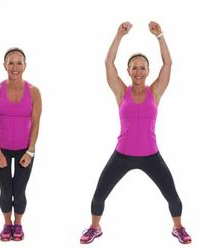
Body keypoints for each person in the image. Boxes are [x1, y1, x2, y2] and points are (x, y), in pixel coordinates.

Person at [80, 21, 191, 244]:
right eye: (134, 67)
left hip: (151, 155)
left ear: (148, 71)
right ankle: (94, 227)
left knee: (172, 195)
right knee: (99, 194)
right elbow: (108, 62)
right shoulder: (122, 91)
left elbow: (168, 63)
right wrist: (118, 36)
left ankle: (178, 228)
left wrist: (160, 36)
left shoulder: (155, 91)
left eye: (142, 68)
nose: (139, 71)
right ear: (128, 71)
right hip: (123, 154)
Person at [0, 47, 42, 241]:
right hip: (0, 148)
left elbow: (36, 124)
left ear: (25, 66)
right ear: (5, 66)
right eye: (11, 63)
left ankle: (18, 224)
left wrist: (31, 151)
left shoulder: (34, 92)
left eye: (19, 63)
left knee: (19, 190)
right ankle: (7, 224)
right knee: (5, 190)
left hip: (24, 150)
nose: (15, 67)